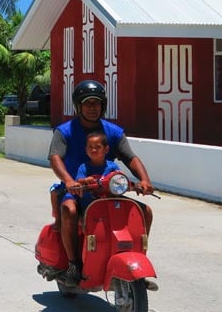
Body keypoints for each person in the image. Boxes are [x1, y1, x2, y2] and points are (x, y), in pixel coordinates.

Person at [49, 79, 154, 285]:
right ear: (78, 106)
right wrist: (70, 181)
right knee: (69, 211)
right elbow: (55, 158)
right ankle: (73, 265)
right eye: (87, 103)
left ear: (103, 105)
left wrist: (144, 180)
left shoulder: (113, 131)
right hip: (77, 190)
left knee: (145, 212)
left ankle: (138, 258)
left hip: (107, 191)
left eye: (96, 103)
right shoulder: (64, 131)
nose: (92, 108)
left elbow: (130, 157)